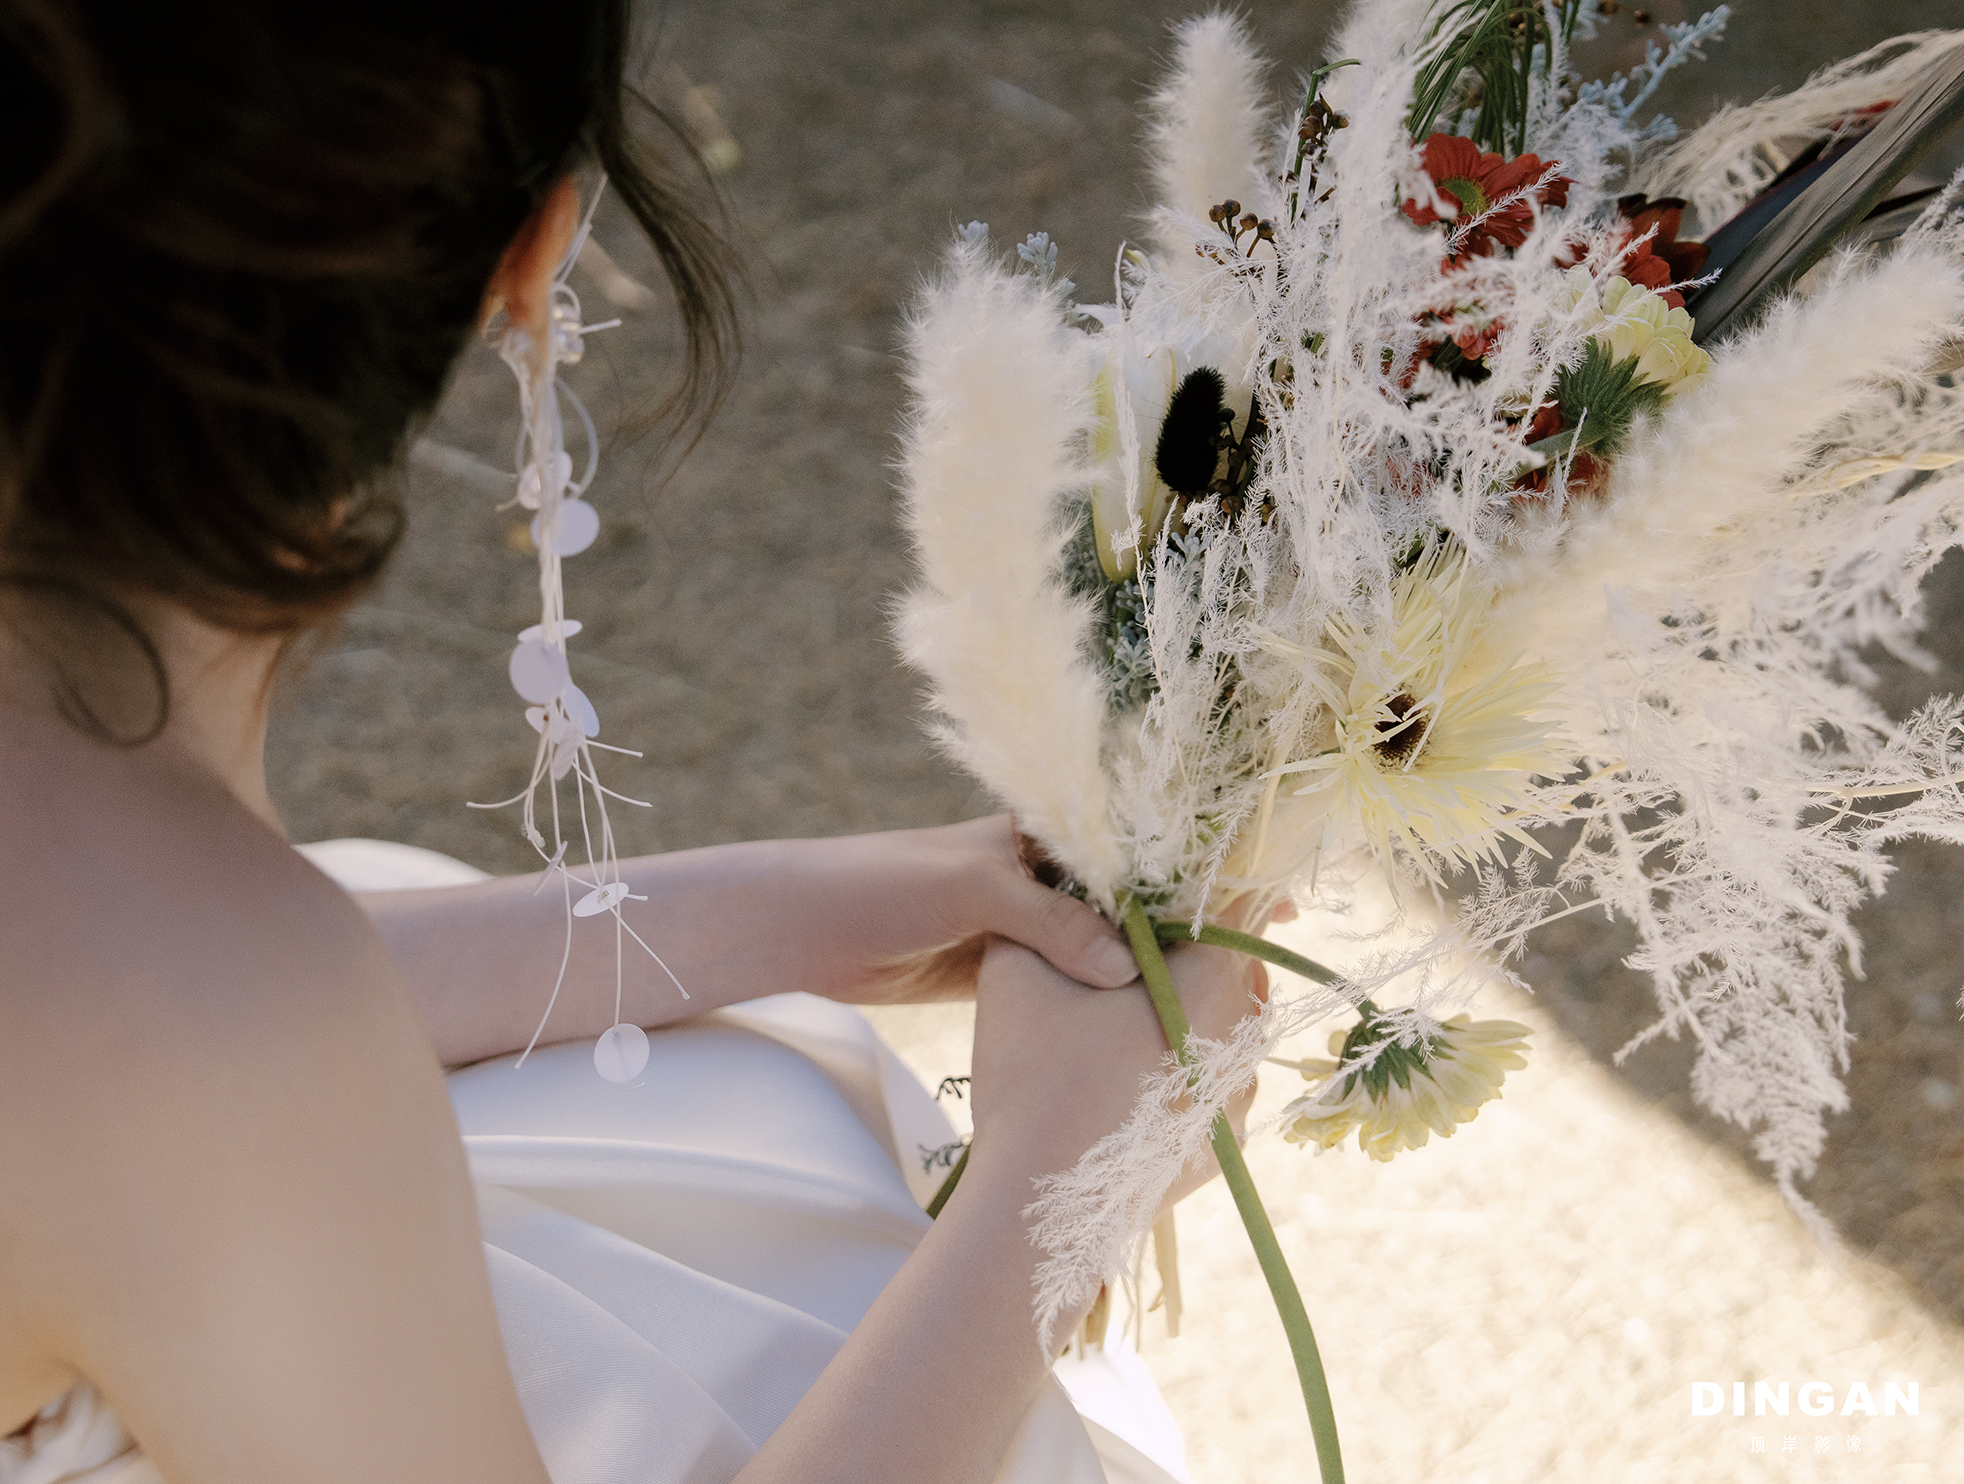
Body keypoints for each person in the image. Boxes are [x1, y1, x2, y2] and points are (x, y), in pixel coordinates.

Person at [0, 4, 1264, 1482]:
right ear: (529, 257)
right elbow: (181, 1048)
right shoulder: (210, 1038)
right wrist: (1055, 1198)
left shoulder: (145, 965)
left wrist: (808, 910)